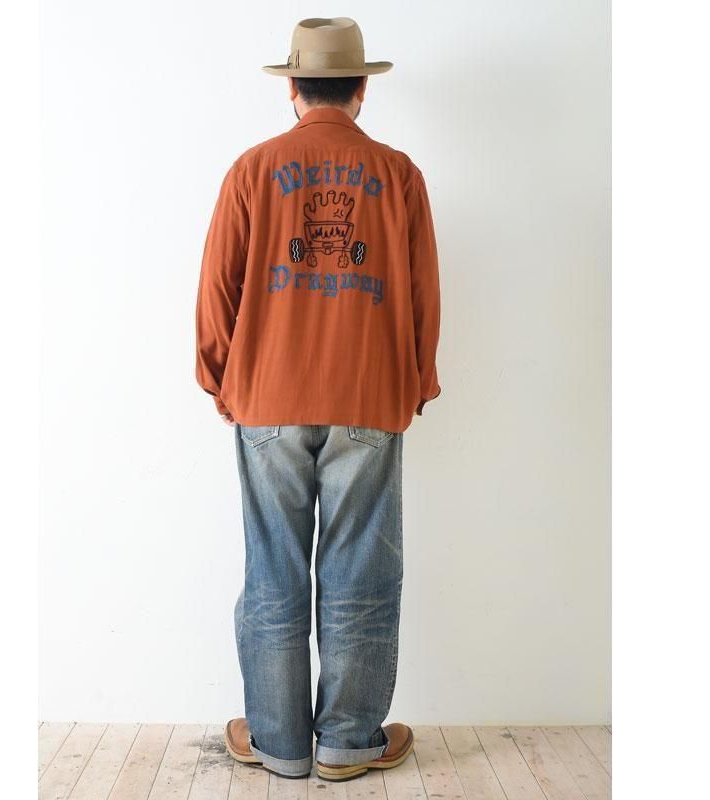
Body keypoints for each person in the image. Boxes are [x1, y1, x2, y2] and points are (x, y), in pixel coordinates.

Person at [195, 16, 442, 782]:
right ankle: (347, 741)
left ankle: (278, 741)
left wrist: (219, 377)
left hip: (267, 395)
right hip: (367, 394)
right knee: (361, 569)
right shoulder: (398, 175)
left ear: (292, 88)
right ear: (362, 88)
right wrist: (417, 381)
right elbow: (424, 294)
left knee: (272, 567)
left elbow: (217, 290)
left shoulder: (252, 170)